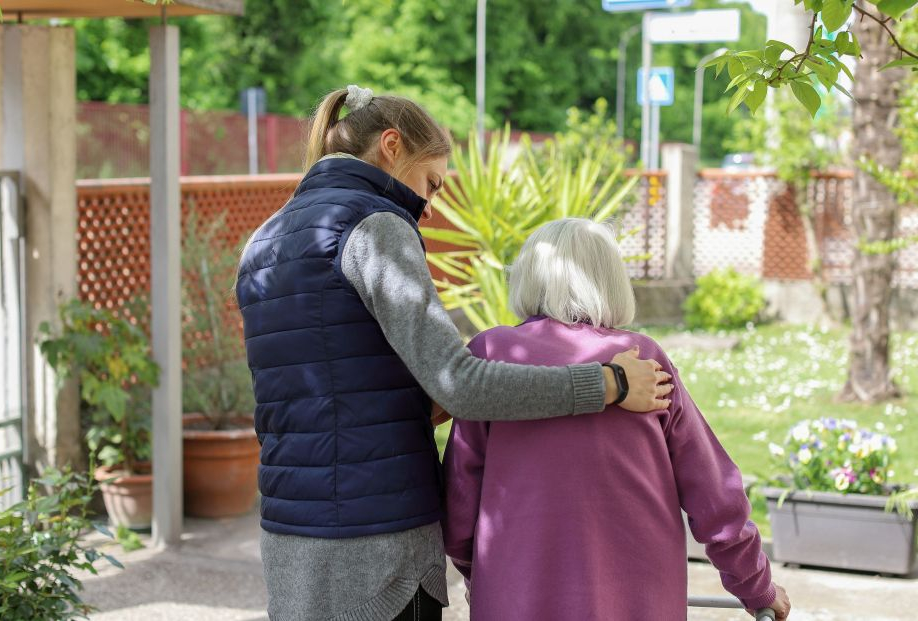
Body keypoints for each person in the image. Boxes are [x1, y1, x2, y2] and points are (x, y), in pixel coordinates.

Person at [235, 87, 673, 621]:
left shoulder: (264, 241)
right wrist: (608, 384)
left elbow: (320, 389)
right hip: (382, 547)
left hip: (289, 533)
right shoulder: (376, 227)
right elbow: (458, 382)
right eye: (430, 184)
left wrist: (415, 403)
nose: (430, 204)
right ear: (391, 146)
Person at [442, 218, 792, 621]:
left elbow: (460, 500)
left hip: (519, 595)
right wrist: (756, 586)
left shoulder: (492, 353)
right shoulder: (642, 360)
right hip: (638, 600)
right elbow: (714, 495)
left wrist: (480, 575)